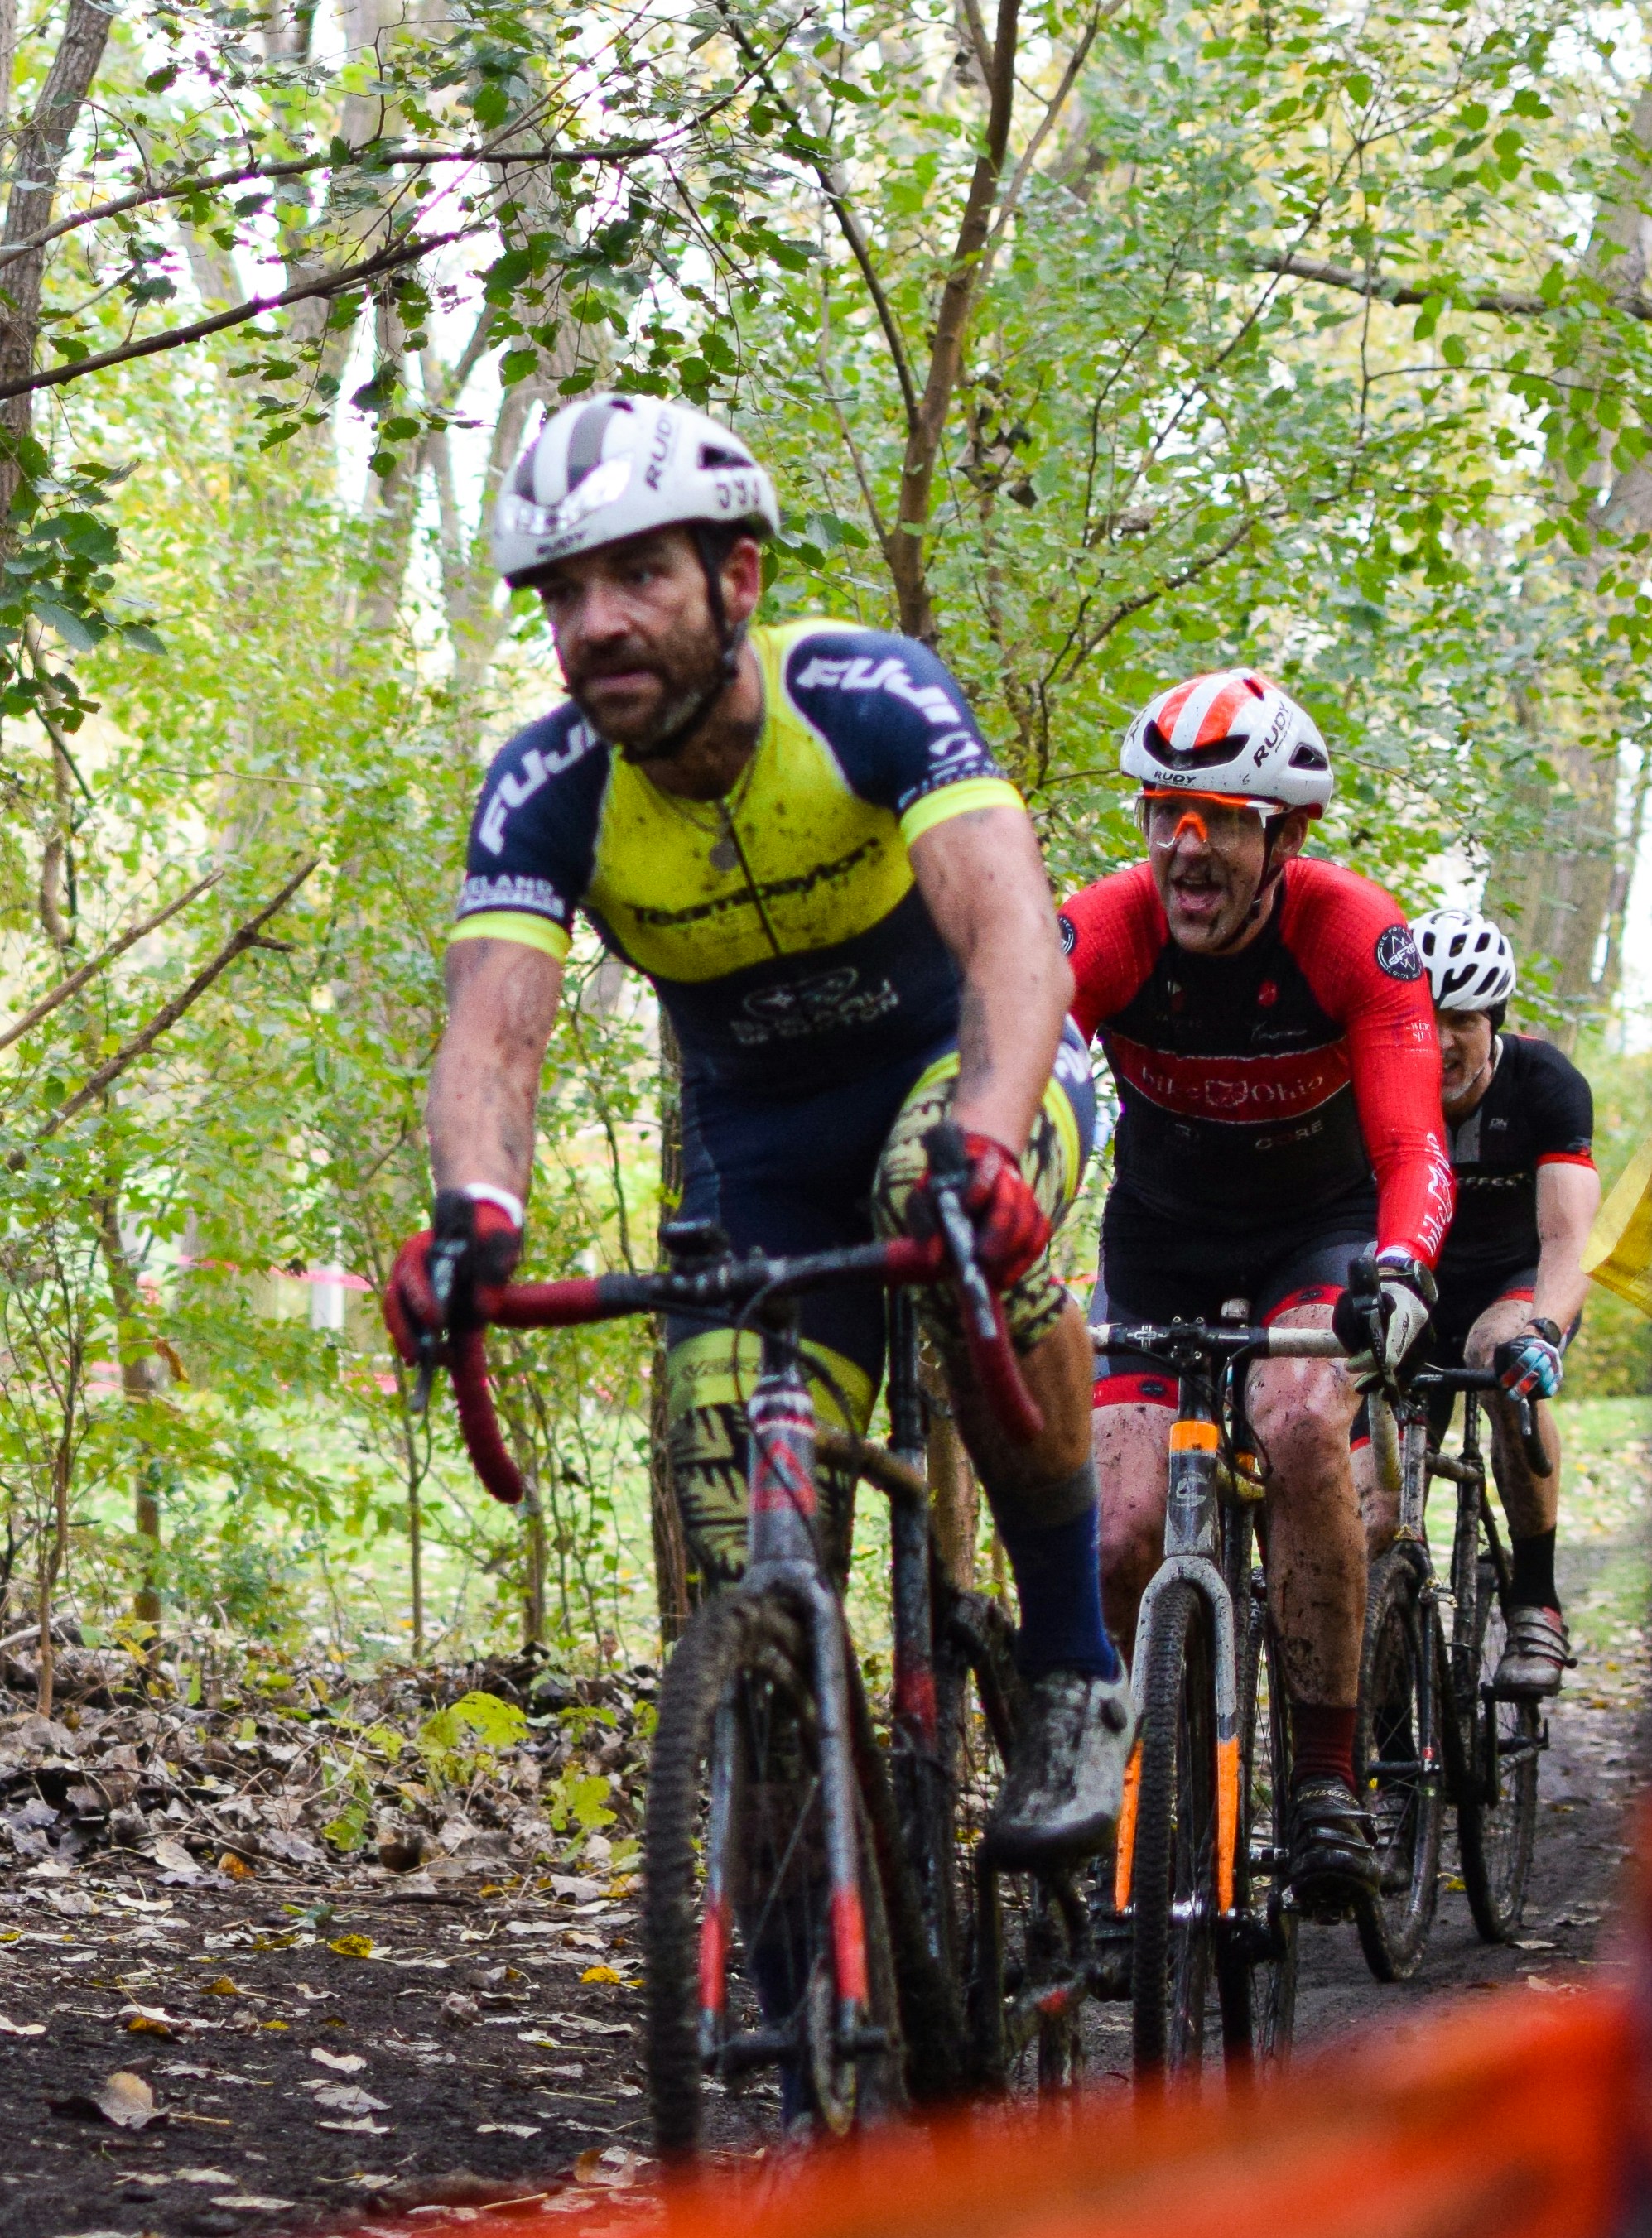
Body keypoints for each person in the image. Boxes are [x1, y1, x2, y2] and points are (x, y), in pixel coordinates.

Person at [383, 392, 1132, 1865]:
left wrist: (988, 1134)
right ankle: (804, 1913)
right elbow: (492, 1038)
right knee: (734, 1500)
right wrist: (475, 1211)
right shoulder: (545, 791)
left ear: (737, 578)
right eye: (562, 593)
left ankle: (1072, 1669)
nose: (594, 624)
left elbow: (1009, 938)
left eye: (638, 575)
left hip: (969, 1067)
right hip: (764, 1150)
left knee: (956, 1209)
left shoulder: (866, 693)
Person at [1059, 670, 1454, 1914]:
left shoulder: (1347, 932)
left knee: (1295, 1425)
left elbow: (1410, 1144)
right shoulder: (1106, 927)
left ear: (1283, 835)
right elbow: (1013, 1073)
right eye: (1162, 811)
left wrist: (1399, 1267)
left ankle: (1325, 1778)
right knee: (1119, 1528)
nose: (1185, 847)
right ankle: (1139, 1780)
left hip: (1315, 1231)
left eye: (1219, 818)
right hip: (1161, 1235)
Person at [1411, 906, 1599, 1696]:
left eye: (1461, 1020)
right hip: (1414, 1288)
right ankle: (1388, 1656)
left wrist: (1545, 1331)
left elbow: (1568, 1240)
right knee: (1374, 1484)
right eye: (1426, 1020)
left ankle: (1535, 1599)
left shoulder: (1544, 1084)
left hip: (1515, 1282)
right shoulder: (1374, 1081)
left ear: (1493, 1021)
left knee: (1499, 1360)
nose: (1442, 1041)